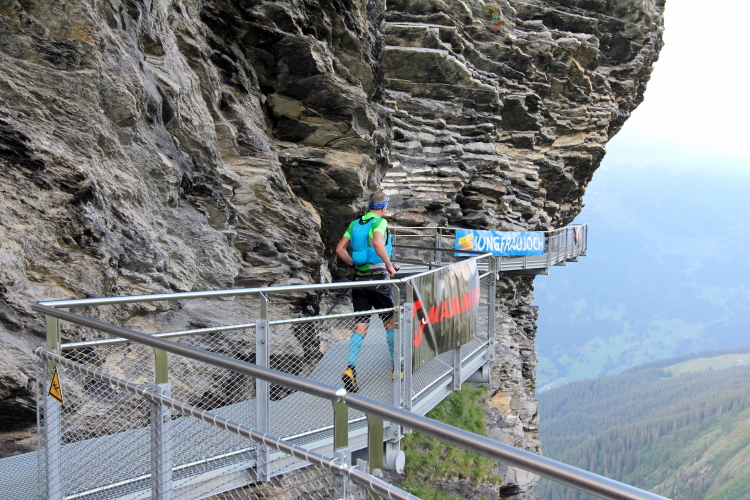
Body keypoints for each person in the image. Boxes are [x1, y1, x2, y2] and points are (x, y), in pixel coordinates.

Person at [335, 191, 398, 393]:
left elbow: (339, 249)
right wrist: (389, 266)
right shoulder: (380, 222)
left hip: (359, 281)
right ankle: (396, 367)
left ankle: (351, 367)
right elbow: (378, 243)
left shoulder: (355, 224)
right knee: (390, 323)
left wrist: (353, 264)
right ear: (383, 207)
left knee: (361, 326)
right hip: (378, 279)